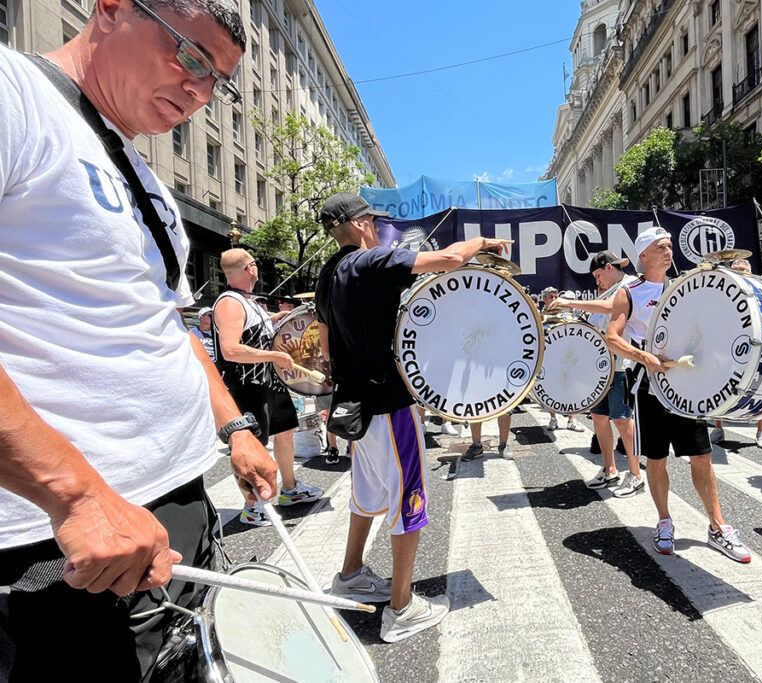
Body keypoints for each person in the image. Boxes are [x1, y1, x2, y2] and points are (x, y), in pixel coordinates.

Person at [0, 1, 280, 677]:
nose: (201, 91)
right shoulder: (15, 95)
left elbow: (169, 325)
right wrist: (74, 494)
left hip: (176, 503)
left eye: (219, 80)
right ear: (113, 8)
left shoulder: (149, 183)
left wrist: (235, 427)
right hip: (64, 540)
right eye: (191, 56)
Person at [316, 191, 511, 642]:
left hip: (353, 409)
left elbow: (326, 345)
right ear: (363, 223)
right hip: (388, 405)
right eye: (374, 223)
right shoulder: (370, 262)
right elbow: (445, 261)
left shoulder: (328, 275)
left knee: (366, 494)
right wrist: (480, 241)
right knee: (410, 497)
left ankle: (351, 574)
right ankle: (401, 608)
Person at [604, 227, 752, 562]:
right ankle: (664, 521)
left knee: (701, 455)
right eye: (661, 246)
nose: (669, 250)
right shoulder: (630, 291)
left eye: (671, 245)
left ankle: (718, 527)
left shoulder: (685, 285)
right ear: (644, 255)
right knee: (656, 459)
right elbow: (613, 337)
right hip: (651, 387)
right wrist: (646, 358)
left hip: (688, 385)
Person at [213, 248, 323, 525]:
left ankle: (290, 489)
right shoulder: (229, 303)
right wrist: (275, 356)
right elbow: (230, 350)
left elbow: (254, 336)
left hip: (268, 382)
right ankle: (252, 506)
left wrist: (275, 320)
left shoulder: (249, 302)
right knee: (253, 445)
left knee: (285, 432)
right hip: (246, 385)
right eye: (254, 264)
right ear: (250, 268)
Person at [551, 250, 644, 497]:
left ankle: (635, 475)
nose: (597, 281)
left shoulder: (630, 286)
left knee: (623, 421)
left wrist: (569, 302)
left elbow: (609, 308)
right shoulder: (606, 292)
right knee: (599, 418)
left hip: (623, 365)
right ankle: (609, 468)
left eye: (598, 274)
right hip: (601, 369)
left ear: (609, 268)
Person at [709, 259, 762, 449]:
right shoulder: (725, 292)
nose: (740, 273)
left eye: (744, 270)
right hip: (728, 345)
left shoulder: (759, 291)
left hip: (755, 344)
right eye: (736, 271)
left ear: (750, 272)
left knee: (760, 386)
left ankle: (761, 430)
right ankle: (718, 428)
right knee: (717, 384)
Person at [540, 286, 582, 432]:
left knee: (572, 388)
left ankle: (572, 420)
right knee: (550, 390)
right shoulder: (540, 316)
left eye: (555, 296)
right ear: (544, 299)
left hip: (568, 359)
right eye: (550, 297)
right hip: (550, 359)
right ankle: (553, 419)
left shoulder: (568, 315)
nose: (553, 299)